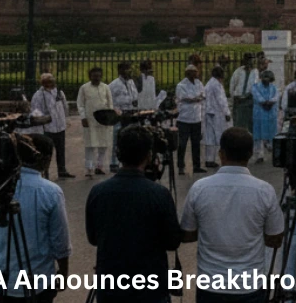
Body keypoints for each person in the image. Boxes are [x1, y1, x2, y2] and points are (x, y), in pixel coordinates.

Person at [181, 128, 285, 303]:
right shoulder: (264, 191)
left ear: (221, 154)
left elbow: (187, 234)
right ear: (250, 154)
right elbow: (275, 239)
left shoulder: (200, 188)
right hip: (249, 286)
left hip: (210, 286)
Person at [86, 125, 183, 303]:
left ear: (118, 152)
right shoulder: (159, 194)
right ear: (149, 155)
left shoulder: (98, 192)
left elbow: (93, 238)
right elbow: (172, 241)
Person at [0, 134, 71, 303]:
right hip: (39, 280)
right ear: (46, 159)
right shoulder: (50, 191)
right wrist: (63, 273)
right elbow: (60, 239)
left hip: (2, 279)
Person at [30, 73, 73, 179]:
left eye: (53, 81)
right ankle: (45, 173)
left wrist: (65, 120)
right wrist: (43, 119)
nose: (52, 83)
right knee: (46, 152)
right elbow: (35, 111)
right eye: (49, 81)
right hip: (47, 128)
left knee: (61, 150)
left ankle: (62, 170)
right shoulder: (38, 95)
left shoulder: (59, 92)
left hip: (60, 126)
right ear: (44, 83)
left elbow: (65, 106)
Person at [78, 67, 115, 178]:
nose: (97, 78)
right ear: (90, 76)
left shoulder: (105, 87)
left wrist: (110, 116)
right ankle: (89, 169)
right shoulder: (84, 88)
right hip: (90, 120)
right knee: (90, 145)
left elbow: (110, 103)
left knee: (103, 144)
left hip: (104, 120)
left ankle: (99, 167)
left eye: (99, 76)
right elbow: (80, 104)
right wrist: (83, 117)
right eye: (94, 76)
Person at [108, 62, 140, 172]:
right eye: (126, 69)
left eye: (129, 69)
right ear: (120, 70)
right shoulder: (113, 85)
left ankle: (130, 161)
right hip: (120, 115)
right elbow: (109, 101)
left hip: (131, 113)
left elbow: (135, 96)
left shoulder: (131, 82)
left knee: (132, 137)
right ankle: (114, 163)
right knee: (118, 139)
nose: (129, 71)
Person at [175, 66, 207, 176]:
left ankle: (196, 166)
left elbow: (203, 95)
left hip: (196, 118)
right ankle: (180, 166)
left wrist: (195, 98)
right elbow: (185, 98)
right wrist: (195, 98)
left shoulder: (199, 83)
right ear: (188, 73)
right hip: (184, 118)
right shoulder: (181, 85)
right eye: (194, 72)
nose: (197, 74)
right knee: (182, 144)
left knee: (196, 143)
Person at [203, 66, 231, 168]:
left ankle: (209, 159)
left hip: (209, 112)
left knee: (210, 137)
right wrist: (227, 113)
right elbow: (221, 100)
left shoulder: (209, 83)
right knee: (220, 137)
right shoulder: (217, 85)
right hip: (217, 113)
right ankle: (223, 158)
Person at [251, 69, 279, 163]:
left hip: (271, 113)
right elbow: (257, 96)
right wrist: (264, 102)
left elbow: (276, 96)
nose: (266, 80)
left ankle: (273, 151)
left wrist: (270, 102)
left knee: (272, 132)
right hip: (260, 113)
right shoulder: (256, 87)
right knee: (258, 134)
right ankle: (260, 154)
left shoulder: (273, 87)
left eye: (268, 78)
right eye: (264, 77)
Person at [230, 53, 259, 133]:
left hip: (249, 100)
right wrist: (234, 97)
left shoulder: (255, 72)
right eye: (249, 59)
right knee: (239, 124)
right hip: (239, 100)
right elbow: (232, 85)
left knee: (250, 124)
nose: (251, 61)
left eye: (253, 59)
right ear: (245, 60)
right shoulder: (238, 71)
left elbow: (255, 86)